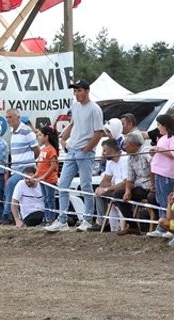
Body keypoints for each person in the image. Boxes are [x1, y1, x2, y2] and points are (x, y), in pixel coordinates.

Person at [45, 78, 105, 232]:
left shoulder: (95, 109)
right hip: (72, 150)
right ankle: (62, 219)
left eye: (79, 90)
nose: (76, 93)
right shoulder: (75, 106)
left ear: (86, 91)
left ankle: (87, 219)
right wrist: (63, 138)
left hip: (84, 152)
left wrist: (87, 148)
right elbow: (73, 124)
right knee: (63, 184)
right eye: (75, 91)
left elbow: (98, 132)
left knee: (85, 185)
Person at [3, 108, 39, 211]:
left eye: (10, 117)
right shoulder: (12, 132)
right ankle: (14, 215)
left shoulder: (27, 131)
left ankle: (7, 215)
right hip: (15, 168)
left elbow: (37, 150)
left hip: (25, 168)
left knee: (10, 184)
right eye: (7, 117)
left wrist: (30, 162)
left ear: (17, 117)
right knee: (13, 190)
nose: (8, 119)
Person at [149, 114, 174, 222]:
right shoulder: (162, 138)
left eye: (159, 125)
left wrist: (159, 149)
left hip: (167, 174)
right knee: (160, 200)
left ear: (165, 125)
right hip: (159, 173)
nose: (158, 127)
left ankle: (170, 224)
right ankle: (163, 224)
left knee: (167, 201)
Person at [35, 126, 60, 223]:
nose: (38, 137)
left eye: (40, 135)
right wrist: (36, 175)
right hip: (42, 180)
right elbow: (40, 166)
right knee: (45, 199)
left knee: (50, 199)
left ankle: (51, 218)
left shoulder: (51, 150)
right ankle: (46, 218)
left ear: (47, 137)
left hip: (49, 180)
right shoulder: (43, 149)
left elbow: (53, 166)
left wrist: (44, 176)